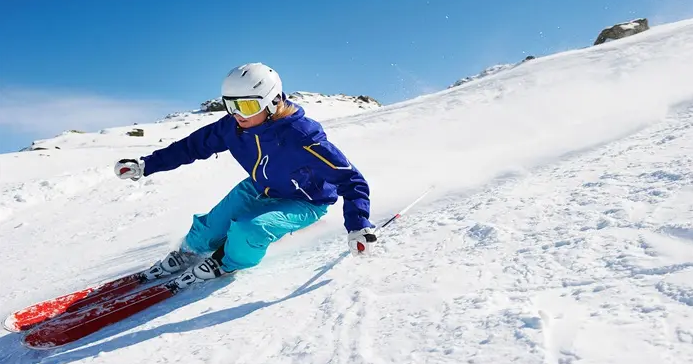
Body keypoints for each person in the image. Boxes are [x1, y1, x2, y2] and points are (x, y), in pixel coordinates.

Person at [114, 62, 377, 288]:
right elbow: (192, 147)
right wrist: (145, 165)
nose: (238, 114)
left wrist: (357, 225)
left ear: (273, 102)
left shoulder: (301, 135)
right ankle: (188, 254)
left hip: (306, 201)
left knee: (249, 230)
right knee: (209, 228)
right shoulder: (233, 127)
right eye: (231, 106)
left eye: (248, 106)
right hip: (259, 188)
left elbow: (350, 179)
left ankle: (226, 262)